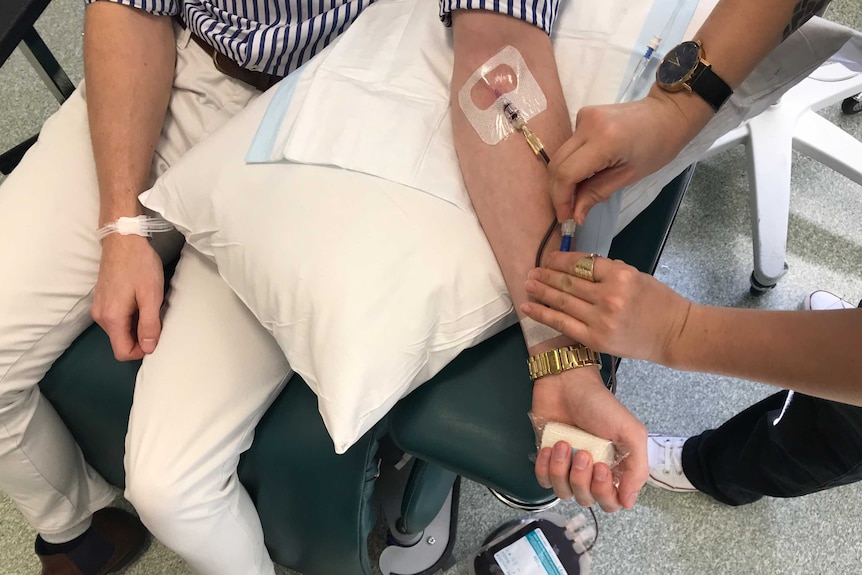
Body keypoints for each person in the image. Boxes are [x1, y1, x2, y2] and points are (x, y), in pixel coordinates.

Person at [0, 1, 637, 574]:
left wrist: (560, 354)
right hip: (170, 58)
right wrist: (121, 224)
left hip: (326, 113)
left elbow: (499, 60)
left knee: (170, 487)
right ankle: (76, 526)